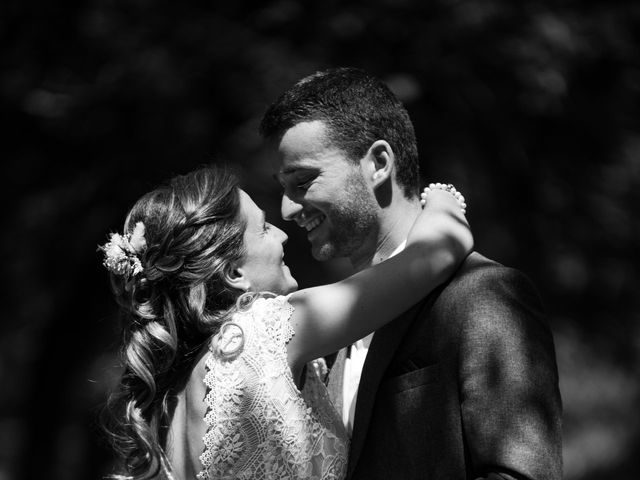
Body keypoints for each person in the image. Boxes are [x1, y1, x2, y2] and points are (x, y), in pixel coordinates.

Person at [259, 67, 563, 480]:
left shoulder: (483, 294)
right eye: (282, 186)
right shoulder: (325, 337)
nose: (287, 210)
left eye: (303, 180)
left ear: (379, 163)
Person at [99, 165, 473, 479]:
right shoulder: (259, 331)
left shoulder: (168, 404)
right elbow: (436, 253)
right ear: (233, 272)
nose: (281, 234)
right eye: (262, 228)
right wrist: (442, 197)